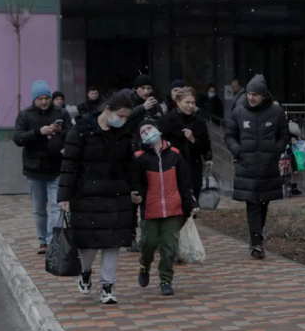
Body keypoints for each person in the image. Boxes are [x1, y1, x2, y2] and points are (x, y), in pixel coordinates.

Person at [58, 93, 140, 306]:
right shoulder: (81, 131)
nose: (122, 120)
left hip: (116, 195)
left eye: (126, 117)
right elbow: (69, 164)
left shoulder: (123, 134)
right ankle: (85, 272)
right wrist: (64, 196)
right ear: (107, 110)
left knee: (113, 242)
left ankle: (107, 286)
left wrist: (135, 188)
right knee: (88, 243)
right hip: (86, 195)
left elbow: (130, 164)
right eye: (120, 115)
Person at [225, 74, 288, 259]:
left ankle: (257, 236)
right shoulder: (238, 112)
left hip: (268, 166)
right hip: (247, 166)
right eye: (249, 93)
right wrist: (238, 150)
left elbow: (284, 134)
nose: (251, 98)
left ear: (264, 95)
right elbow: (229, 135)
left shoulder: (276, 112)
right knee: (252, 203)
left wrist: (276, 150)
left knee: (263, 203)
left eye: (256, 94)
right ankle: (256, 242)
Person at [135, 118, 197, 297]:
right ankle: (144, 265)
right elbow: (136, 183)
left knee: (169, 246)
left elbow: (185, 182)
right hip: (150, 208)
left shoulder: (175, 154)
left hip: (173, 208)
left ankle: (165, 280)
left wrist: (190, 203)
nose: (148, 133)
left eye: (149, 128)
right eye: (143, 132)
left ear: (158, 130)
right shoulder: (140, 157)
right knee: (149, 243)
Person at [13, 80, 71, 254]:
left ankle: (54, 241)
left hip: (56, 167)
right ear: (34, 100)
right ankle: (42, 240)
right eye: (40, 99)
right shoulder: (25, 115)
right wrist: (39, 132)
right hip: (34, 169)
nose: (44, 102)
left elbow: (73, 134)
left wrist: (59, 131)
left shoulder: (61, 112)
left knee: (56, 206)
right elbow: (18, 138)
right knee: (39, 209)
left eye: (46, 98)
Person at [159, 87, 212, 204]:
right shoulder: (166, 120)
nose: (190, 106)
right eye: (187, 102)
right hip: (172, 165)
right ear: (178, 102)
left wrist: (193, 140)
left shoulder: (199, 121)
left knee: (192, 199)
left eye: (193, 102)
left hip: (193, 166)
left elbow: (205, 146)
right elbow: (161, 142)